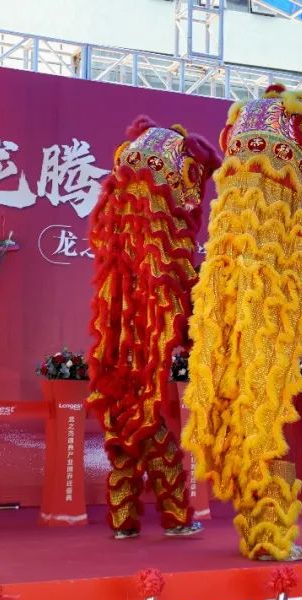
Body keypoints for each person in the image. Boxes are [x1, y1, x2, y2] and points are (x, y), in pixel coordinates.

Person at [182, 84, 302, 561]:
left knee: (243, 399)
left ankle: (258, 519)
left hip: (228, 286)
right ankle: (268, 531)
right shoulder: (297, 149)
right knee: (266, 405)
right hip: (271, 291)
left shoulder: (240, 171)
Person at [87, 116, 220, 539]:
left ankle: (124, 516)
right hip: (144, 331)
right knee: (140, 410)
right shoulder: (164, 251)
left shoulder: (118, 247)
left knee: (123, 411)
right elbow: (183, 305)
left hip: (121, 333)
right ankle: (173, 512)